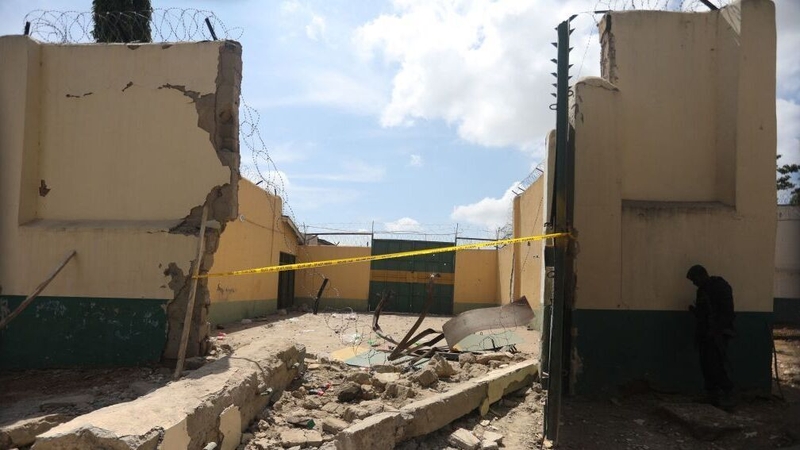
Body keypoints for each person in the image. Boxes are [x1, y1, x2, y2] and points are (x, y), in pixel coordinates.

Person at [686, 264, 736, 407]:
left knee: (715, 365)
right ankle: (712, 395)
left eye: (694, 279)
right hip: (706, 334)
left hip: (717, 334)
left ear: (702, 275)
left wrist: (715, 330)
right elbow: (704, 314)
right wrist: (695, 312)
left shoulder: (718, 287)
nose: (694, 283)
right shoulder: (703, 290)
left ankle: (728, 393)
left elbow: (726, 313)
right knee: (706, 365)